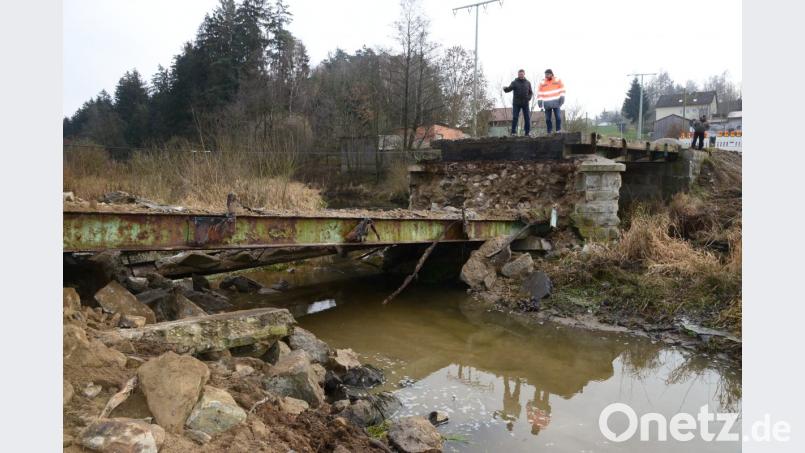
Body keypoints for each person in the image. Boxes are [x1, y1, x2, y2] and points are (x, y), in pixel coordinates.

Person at [503, 69, 534, 136]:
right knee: (515, 117)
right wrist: (505, 89)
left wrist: (529, 98)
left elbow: (531, 92)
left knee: (527, 117)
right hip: (516, 103)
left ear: (524, 74)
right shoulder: (514, 82)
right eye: (519, 74)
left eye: (522, 74)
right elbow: (509, 88)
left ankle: (527, 132)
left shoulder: (528, 83)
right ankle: (513, 132)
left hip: (525, 103)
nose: (521, 75)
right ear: (518, 75)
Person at [537, 69, 565, 133]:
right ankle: (549, 131)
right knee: (547, 119)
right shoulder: (542, 82)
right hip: (547, 103)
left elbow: (562, 89)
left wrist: (562, 97)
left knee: (558, 117)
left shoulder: (557, 80)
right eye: (545, 74)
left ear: (551, 74)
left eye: (547, 74)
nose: (546, 76)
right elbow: (540, 92)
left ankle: (558, 130)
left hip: (556, 102)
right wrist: (539, 101)